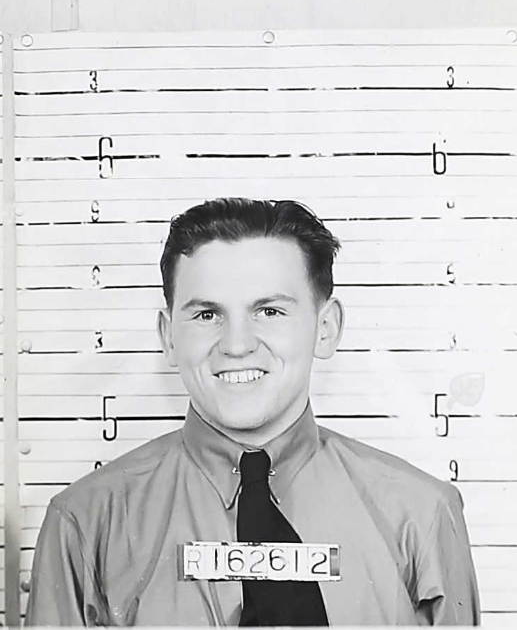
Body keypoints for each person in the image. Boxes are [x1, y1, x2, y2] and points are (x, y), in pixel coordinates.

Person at [25, 197, 480, 626]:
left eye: (269, 311)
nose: (237, 344)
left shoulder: (422, 516)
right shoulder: (84, 524)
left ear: (326, 328)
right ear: (168, 336)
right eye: (207, 315)